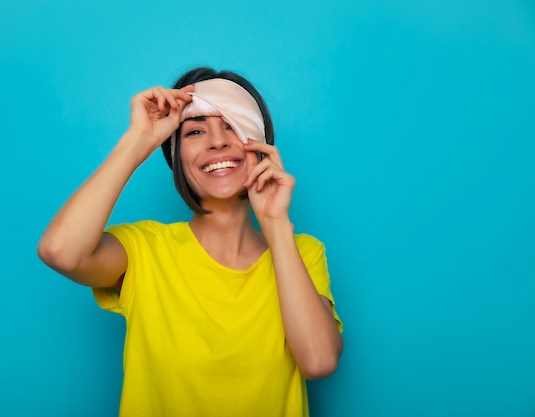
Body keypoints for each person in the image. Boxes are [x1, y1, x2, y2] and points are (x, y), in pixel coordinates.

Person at [37, 67, 343, 417]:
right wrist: (138, 140)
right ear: (174, 155)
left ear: (260, 144)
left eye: (232, 124)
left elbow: (318, 361)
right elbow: (59, 251)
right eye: (195, 130)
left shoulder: (302, 252)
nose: (217, 141)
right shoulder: (144, 250)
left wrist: (275, 224)